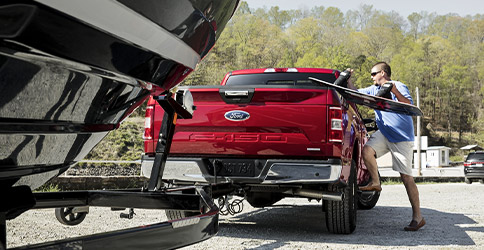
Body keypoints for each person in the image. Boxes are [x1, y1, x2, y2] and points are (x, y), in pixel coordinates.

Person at [346, 62, 425, 231]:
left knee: (406, 178)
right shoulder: (374, 90)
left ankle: (418, 217)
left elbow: (409, 105)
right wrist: (349, 80)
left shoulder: (399, 85)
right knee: (367, 151)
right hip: (384, 133)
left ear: (383, 73)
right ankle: (376, 182)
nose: (372, 77)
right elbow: (355, 94)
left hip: (401, 137)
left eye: (374, 74)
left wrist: (394, 91)